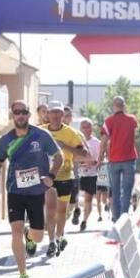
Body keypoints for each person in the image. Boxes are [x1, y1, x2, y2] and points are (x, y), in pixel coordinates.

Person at [0, 100, 63, 278]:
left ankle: (30, 236)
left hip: (36, 192)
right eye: (17, 112)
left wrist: (51, 176)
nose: (20, 115)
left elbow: (59, 157)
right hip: (15, 191)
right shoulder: (6, 140)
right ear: (12, 115)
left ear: (29, 115)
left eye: (24, 112)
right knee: (15, 231)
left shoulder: (41, 135)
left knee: (38, 237)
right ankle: (23, 275)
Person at [43, 102, 90, 258]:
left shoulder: (70, 133)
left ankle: (58, 237)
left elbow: (84, 153)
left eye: (59, 113)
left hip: (65, 176)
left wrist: (65, 146)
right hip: (48, 176)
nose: (56, 116)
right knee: (50, 209)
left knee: (61, 211)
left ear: (63, 115)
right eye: (53, 112)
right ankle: (51, 242)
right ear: (47, 114)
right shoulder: (40, 131)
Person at [100, 96, 138, 222]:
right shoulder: (132, 120)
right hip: (129, 158)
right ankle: (124, 217)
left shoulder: (108, 122)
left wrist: (100, 159)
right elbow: (133, 135)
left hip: (114, 159)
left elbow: (104, 141)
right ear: (124, 105)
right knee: (126, 190)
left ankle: (116, 218)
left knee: (115, 191)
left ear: (113, 106)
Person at [78, 119, 102, 232]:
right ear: (80, 129)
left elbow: (99, 159)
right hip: (77, 174)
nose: (86, 129)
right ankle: (76, 211)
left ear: (91, 129)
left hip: (91, 175)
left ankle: (84, 220)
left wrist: (91, 162)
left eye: (88, 127)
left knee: (88, 198)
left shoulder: (96, 142)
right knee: (73, 198)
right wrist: (80, 162)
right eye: (83, 127)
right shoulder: (76, 141)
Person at [95, 157, 110, 222]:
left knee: (104, 200)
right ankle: (100, 216)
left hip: (105, 183)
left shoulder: (107, 162)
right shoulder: (97, 161)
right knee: (98, 201)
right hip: (98, 183)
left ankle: (106, 204)